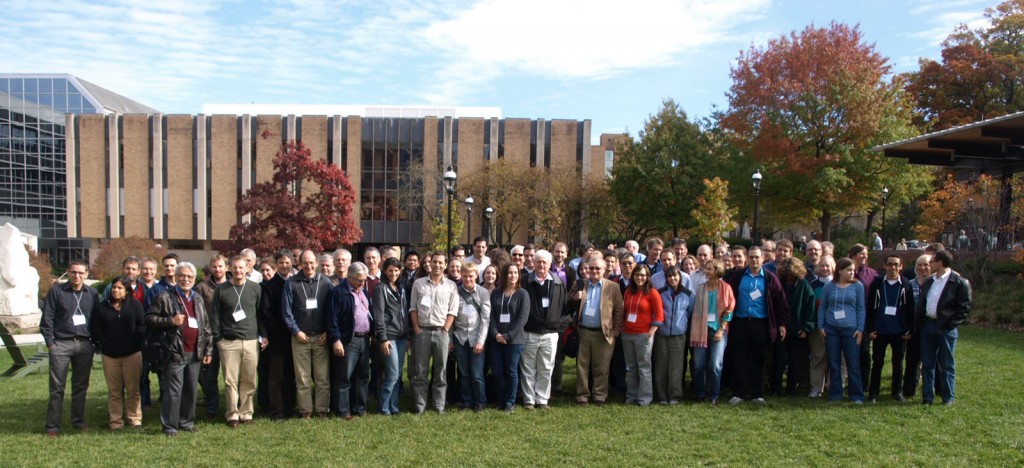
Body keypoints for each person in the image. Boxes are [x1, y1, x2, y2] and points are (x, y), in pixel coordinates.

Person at [146, 262, 214, 436]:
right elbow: (149, 319)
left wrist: (208, 350)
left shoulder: (197, 298)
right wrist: (170, 321)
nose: (186, 279)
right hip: (174, 351)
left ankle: (187, 422)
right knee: (173, 391)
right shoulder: (164, 297)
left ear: (194, 279)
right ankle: (170, 425)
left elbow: (205, 325)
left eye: (190, 277)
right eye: (182, 276)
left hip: (195, 352)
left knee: (191, 390)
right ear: (176, 277)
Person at [40, 259, 98, 438]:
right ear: (68, 272)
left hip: (84, 344)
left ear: (87, 274)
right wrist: (50, 343)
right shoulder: (57, 291)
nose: (77, 276)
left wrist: (94, 342)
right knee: (57, 387)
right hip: (61, 344)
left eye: (81, 273)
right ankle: (53, 426)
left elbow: (96, 320)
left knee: (81, 386)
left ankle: (78, 421)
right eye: (73, 272)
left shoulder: (92, 294)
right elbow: (47, 318)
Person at [726, 246, 789, 405]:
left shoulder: (770, 278)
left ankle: (757, 394)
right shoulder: (738, 276)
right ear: (747, 259)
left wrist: (781, 324)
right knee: (739, 358)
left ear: (763, 259)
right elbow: (728, 298)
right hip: (740, 322)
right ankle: (740, 392)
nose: (754, 260)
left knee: (759, 359)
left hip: (761, 324)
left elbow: (781, 303)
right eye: (751, 257)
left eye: (757, 257)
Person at [209, 255, 265, 427]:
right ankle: (232, 414)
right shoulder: (222, 289)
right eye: (235, 267)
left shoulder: (255, 288)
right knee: (230, 380)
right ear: (229, 269)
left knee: (249, 379)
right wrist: (218, 339)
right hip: (228, 342)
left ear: (248, 268)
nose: (238, 271)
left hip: (250, 340)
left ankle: (246, 413)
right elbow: (215, 316)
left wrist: (263, 335)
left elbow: (260, 314)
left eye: (241, 267)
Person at [281, 250, 334, 419]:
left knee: (322, 377)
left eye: (312, 263)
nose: (309, 266)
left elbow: (332, 310)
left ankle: (322, 409)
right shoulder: (291, 283)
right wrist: (296, 331)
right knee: (302, 377)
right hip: (300, 337)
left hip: (321, 337)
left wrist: (328, 330)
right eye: (305, 263)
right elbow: (286, 311)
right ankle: (305, 410)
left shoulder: (326, 283)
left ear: (317, 263)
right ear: (300, 264)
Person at [914, 250, 971, 405]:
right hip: (928, 325)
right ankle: (927, 398)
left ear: (939, 263)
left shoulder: (958, 282)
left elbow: (964, 308)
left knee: (946, 364)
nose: (929, 265)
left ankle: (947, 398)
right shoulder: (930, 281)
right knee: (927, 364)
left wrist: (950, 324)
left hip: (945, 328)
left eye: (931, 262)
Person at [92, 275, 146, 431]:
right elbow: (96, 328)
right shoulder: (102, 307)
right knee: (114, 391)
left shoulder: (135, 305)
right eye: (114, 287)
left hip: (132, 355)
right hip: (110, 356)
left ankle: (135, 419)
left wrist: (135, 341)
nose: (116, 290)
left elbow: (142, 326)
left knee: (133, 390)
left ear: (127, 290)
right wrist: (104, 343)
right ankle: (116, 422)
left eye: (120, 288)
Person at [409, 251, 459, 414]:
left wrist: (445, 329)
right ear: (430, 264)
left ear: (445, 265)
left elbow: (453, 310)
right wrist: (416, 328)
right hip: (422, 331)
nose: (437, 265)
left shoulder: (451, 286)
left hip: (441, 333)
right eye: (434, 262)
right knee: (420, 371)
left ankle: (439, 406)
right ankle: (420, 406)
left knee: (441, 371)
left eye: (440, 262)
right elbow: (413, 308)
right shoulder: (419, 283)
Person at [521, 249, 568, 409]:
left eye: (544, 262)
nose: (541, 265)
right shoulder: (524, 281)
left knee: (546, 367)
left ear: (550, 264)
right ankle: (528, 399)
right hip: (530, 332)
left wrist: (555, 324)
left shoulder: (557, 283)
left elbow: (563, 307)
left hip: (550, 333)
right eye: (538, 261)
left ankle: (542, 399)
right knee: (528, 367)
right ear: (533, 263)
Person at [574, 257, 624, 406]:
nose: (594, 271)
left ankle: (600, 395)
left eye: (598, 269)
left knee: (601, 366)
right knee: (582, 366)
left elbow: (619, 311)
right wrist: (575, 297)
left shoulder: (613, 287)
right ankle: (582, 396)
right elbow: (568, 303)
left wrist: (615, 332)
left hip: (604, 333)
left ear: (604, 270)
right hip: (583, 331)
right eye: (591, 268)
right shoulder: (581, 284)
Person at [326, 262, 372, 420]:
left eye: (364, 279)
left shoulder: (363, 291)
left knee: (362, 376)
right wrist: (336, 340)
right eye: (360, 280)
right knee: (344, 377)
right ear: (350, 277)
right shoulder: (338, 292)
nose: (363, 283)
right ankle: (343, 410)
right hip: (347, 340)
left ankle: (359, 407)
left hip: (364, 339)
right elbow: (332, 319)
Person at [866, 255, 915, 403]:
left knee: (898, 364)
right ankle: (873, 393)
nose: (892, 268)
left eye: (896, 265)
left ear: (901, 266)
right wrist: (870, 328)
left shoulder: (906, 284)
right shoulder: (877, 283)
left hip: (899, 332)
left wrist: (909, 330)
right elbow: (870, 307)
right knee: (877, 363)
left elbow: (910, 309)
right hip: (880, 331)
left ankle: (897, 392)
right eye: (889, 264)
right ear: (885, 266)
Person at [818, 257, 866, 404]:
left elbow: (860, 308)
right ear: (840, 270)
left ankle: (856, 396)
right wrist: (821, 326)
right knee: (834, 363)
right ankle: (835, 395)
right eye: (849, 270)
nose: (852, 273)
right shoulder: (829, 287)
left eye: (853, 270)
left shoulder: (858, 286)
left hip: (851, 330)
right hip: (831, 329)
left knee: (852, 363)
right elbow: (823, 307)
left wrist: (860, 329)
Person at [690, 259, 734, 405]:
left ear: (717, 270)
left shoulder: (726, 288)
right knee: (698, 365)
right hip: (700, 330)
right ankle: (699, 393)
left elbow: (729, 310)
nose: (706, 271)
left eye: (709, 269)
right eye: (706, 269)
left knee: (715, 365)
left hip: (718, 330)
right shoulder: (700, 288)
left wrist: (721, 329)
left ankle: (714, 395)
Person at [260, 250, 297, 421]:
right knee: (276, 376)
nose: (284, 265)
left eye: (287, 262)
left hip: (296, 337)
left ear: (292, 263)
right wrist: (276, 333)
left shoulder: (296, 282)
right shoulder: (269, 286)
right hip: (278, 338)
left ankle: (290, 407)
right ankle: (277, 411)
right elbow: (266, 313)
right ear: (276, 265)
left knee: (291, 375)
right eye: (281, 262)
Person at [489, 264, 530, 412]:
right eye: (510, 273)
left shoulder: (522, 294)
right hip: (497, 340)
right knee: (497, 371)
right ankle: (500, 400)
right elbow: (491, 316)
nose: (513, 276)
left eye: (515, 273)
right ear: (504, 275)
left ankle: (510, 402)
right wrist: (495, 334)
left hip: (515, 340)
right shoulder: (495, 293)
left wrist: (508, 335)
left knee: (511, 371)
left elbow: (522, 319)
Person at [621, 264, 663, 406]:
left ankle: (644, 398)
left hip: (643, 335)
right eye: (637, 275)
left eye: (643, 275)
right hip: (627, 334)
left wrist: (650, 333)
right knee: (631, 368)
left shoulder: (652, 293)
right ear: (633, 276)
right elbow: (623, 311)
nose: (640, 278)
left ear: (647, 277)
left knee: (644, 367)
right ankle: (631, 396)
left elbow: (659, 315)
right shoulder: (628, 292)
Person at [774, 257, 815, 397]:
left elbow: (810, 307)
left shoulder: (804, 285)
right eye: (787, 273)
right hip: (780, 328)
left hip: (797, 330)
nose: (789, 276)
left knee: (794, 361)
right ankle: (776, 388)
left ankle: (791, 389)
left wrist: (807, 327)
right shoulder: (778, 283)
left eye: (791, 273)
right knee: (778, 360)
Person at [452, 262, 491, 411]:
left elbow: (485, 319)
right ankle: (467, 401)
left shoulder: (483, 293)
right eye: (465, 276)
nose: (468, 279)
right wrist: (451, 340)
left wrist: (481, 342)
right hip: (460, 337)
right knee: (464, 373)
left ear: (476, 275)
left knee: (477, 374)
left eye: (471, 276)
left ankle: (480, 401)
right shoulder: (455, 291)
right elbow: (451, 317)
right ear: (461, 276)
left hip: (476, 338)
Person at [193, 254, 228, 419]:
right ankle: (212, 407)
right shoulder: (201, 288)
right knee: (209, 375)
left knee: (231, 376)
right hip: (209, 338)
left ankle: (232, 407)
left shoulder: (233, 285)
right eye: (215, 266)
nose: (218, 269)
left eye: (220, 266)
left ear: (226, 267)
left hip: (229, 336)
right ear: (210, 268)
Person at [373, 258, 409, 416]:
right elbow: (378, 315)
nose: (393, 273)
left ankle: (394, 406)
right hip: (389, 337)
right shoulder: (381, 288)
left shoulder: (401, 287)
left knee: (398, 373)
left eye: (396, 270)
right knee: (392, 372)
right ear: (384, 271)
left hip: (402, 336)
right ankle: (384, 407)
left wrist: (407, 336)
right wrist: (383, 338)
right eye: (390, 270)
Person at [654, 266, 691, 405]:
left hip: (678, 336)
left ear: (680, 277)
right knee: (661, 366)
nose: (672, 279)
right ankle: (662, 395)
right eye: (669, 277)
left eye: (675, 276)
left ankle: (675, 396)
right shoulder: (660, 293)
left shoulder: (688, 294)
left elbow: (690, 311)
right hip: (662, 334)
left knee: (676, 367)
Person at [902, 254, 931, 399]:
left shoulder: (934, 284)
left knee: (931, 361)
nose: (923, 268)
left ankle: (931, 390)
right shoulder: (909, 284)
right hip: (913, 328)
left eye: (926, 265)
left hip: (930, 327)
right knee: (912, 360)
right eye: (920, 265)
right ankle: (908, 391)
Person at [807, 256, 835, 397]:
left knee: (834, 358)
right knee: (818, 357)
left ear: (833, 267)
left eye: (828, 266)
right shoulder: (812, 285)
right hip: (817, 327)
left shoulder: (838, 284)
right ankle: (816, 388)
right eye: (822, 266)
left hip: (835, 327)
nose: (825, 269)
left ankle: (832, 386)